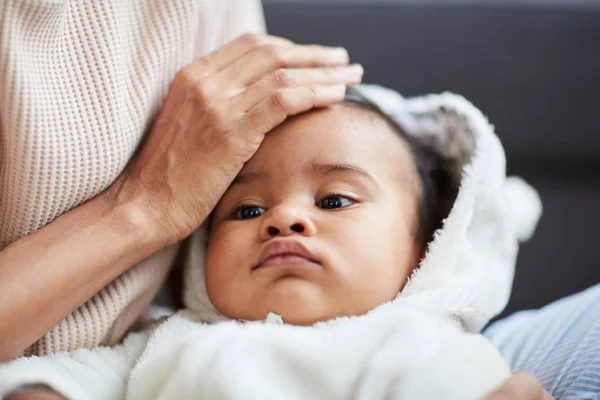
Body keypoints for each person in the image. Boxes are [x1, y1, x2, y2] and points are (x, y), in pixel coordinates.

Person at [0, 85, 545, 399]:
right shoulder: (166, 342)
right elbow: (77, 377)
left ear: (427, 249)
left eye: (333, 201)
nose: (284, 218)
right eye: (247, 210)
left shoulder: (409, 346)